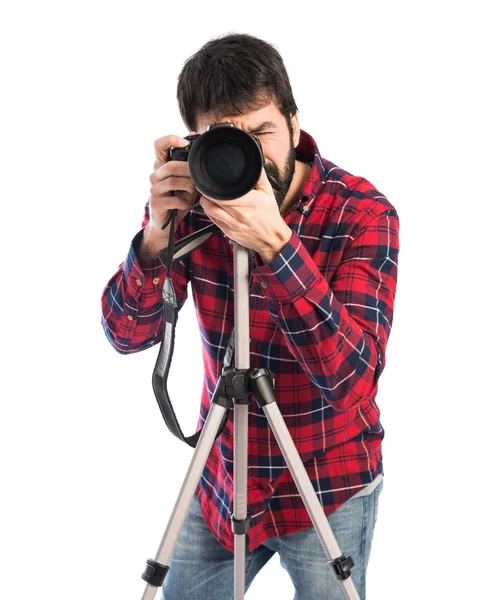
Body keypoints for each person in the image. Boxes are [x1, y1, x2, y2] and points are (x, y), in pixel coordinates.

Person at [101, 33, 399, 600]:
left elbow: (352, 383)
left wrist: (277, 248)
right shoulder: (196, 205)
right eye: (227, 140)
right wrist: (154, 236)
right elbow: (124, 334)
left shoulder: (363, 212)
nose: (253, 161)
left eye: (262, 133)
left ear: (293, 121)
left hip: (327, 483)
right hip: (221, 476)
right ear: (197, 141)